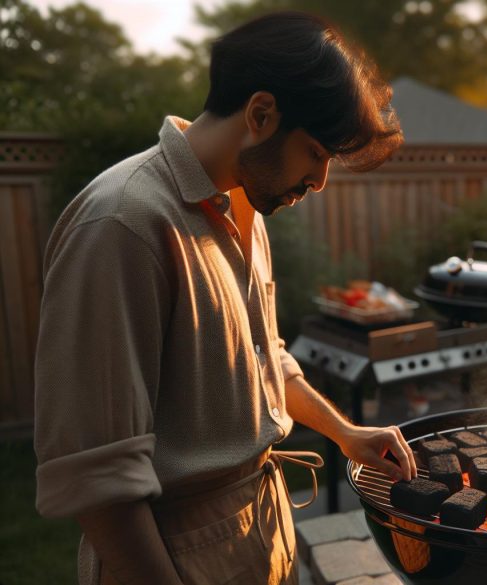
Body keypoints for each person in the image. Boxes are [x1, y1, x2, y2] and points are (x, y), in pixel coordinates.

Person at [33, 12, 415, 585]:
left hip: (259, 530)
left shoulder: (239, 206)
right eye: (316, 152)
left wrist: (347, 434)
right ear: (261, 114)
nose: (321, 181)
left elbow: (263, 361)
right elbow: (99, 480)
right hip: (173, 556)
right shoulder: (123, 223)